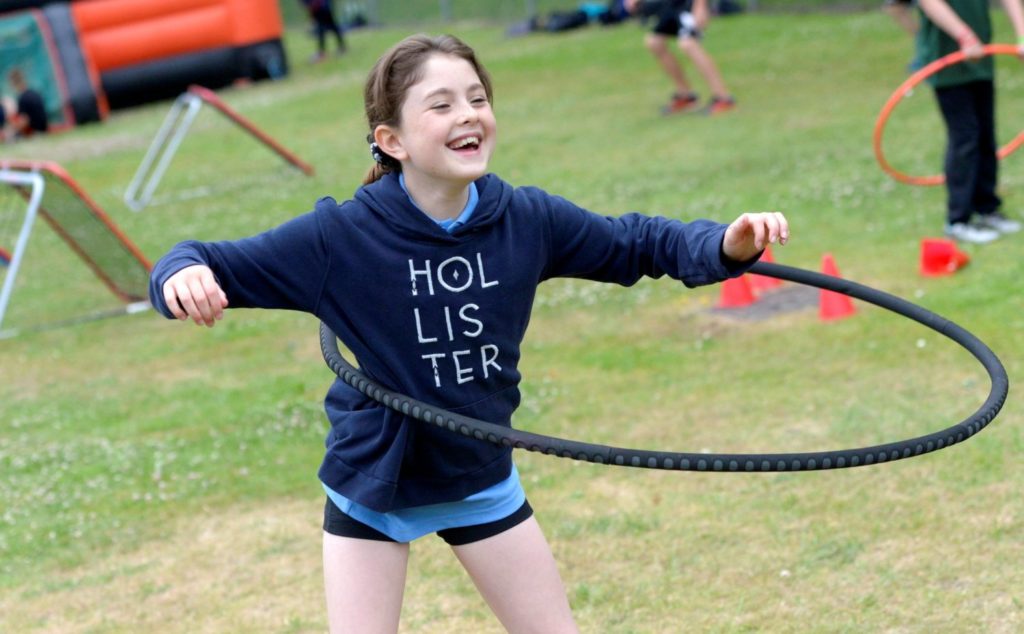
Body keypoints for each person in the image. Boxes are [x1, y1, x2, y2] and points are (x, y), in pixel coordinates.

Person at [148, 33, 789, 633]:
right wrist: (182, 276)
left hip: (477, 474)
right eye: (443, 104)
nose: (469, 115)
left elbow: (635, 243)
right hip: (377, 483)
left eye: (478, 99)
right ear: (391, 139)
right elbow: (201, 258)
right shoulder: (339, 239)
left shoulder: (526, 219)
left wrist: (723, 244)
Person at [916, 0, 1024, 243]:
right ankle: (958, 220)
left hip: (981, 60)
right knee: (965, 138)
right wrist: (964, 36)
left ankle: (987, 209)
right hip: (948, 63)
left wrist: (1022, 34)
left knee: (986, 135)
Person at [624, 0, 736, 115]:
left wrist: (700, 6)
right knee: (654, 43)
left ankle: (724, 98)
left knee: (688, 44)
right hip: (672, 4)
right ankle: (686, 96)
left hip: (690, 4)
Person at [7, 69, 48, 138]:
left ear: (13, 83)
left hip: (34, 133)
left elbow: (24, 122)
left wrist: (12, 128)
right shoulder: (35, 93)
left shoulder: (22, 98)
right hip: (44, 130)